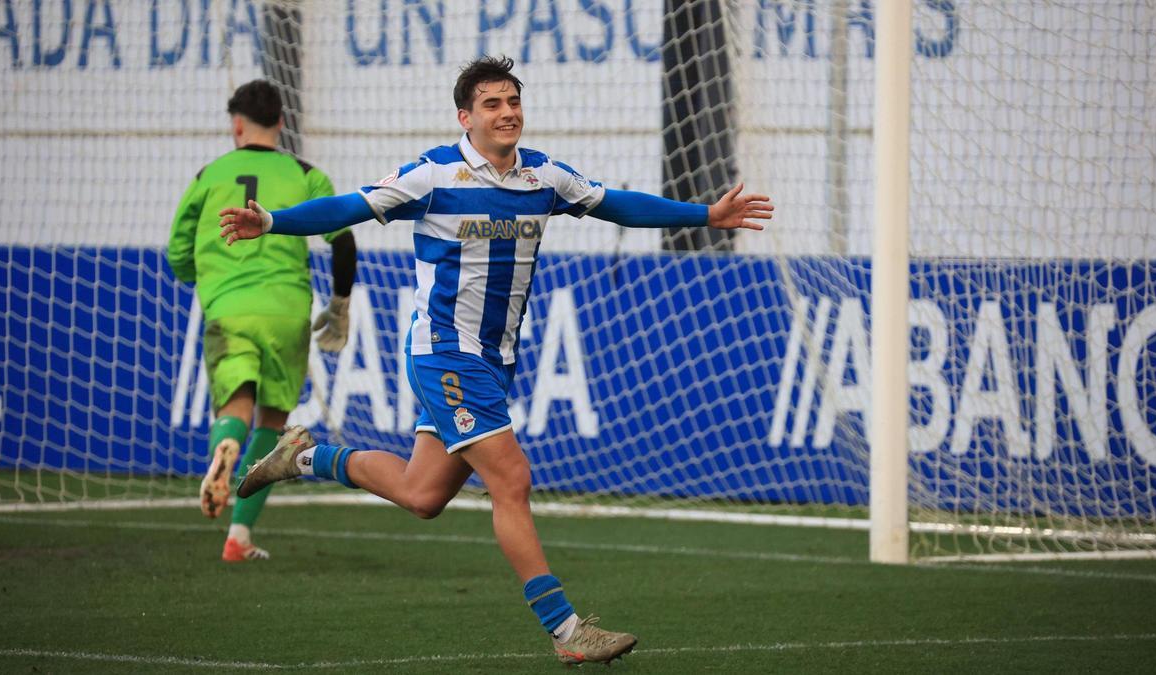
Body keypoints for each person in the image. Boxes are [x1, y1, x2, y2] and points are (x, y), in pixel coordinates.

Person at [219, 56, 771, 662]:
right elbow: (347, 207)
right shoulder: (433, 175)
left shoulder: (544, 177)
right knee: (511, 478)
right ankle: (567, 632)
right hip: (444, 353)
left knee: (423, 495)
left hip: (493, 360)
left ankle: (302, 457)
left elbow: (617, 203)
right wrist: (272, 221)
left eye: (513, 101)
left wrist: (706, 215)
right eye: (492, 104)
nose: (507, 112)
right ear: (466, 117)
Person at [166, 79, 357, 563]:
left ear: (237, 125)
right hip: (286, 311)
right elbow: (343, 240)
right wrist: (340, 305)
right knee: (272, 422)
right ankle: (239, 536)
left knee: (235, 405)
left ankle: (225, 447)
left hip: (229, 307)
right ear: (282, 123)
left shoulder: (210, 174)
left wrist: (204, 277)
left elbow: (177, 253)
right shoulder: (307, 173)